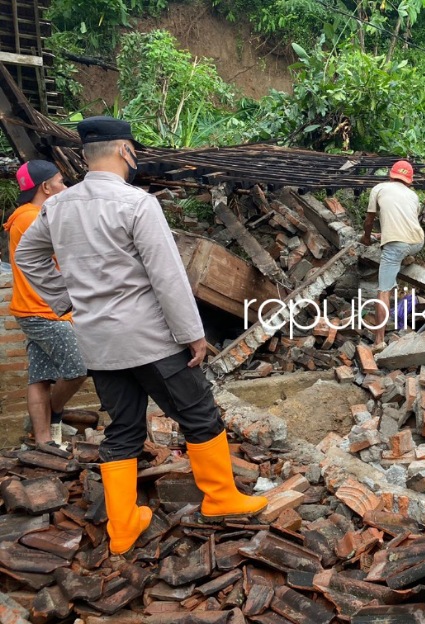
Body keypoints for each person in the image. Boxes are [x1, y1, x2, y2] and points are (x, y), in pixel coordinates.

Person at [15, 116, 266, 555]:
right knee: (199, 413)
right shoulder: (136, 204)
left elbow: (26, 256)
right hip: (150, 338)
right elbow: (167, 276)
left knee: (123, 429)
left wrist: (63, 299)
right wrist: (192, 334)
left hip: (98, 342)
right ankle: (221, 498)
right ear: (124, 151)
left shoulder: (58, 206)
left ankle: (123, 526)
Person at [4, 160, 87, 447]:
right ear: (46, 187)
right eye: (61, 181)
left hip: (35, 308)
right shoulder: (32, 217)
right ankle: (54, 412)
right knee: (79, 368)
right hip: (44, 310)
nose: (64, 187)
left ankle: (43, 440)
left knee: (40, 376)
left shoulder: (26, 215)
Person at [361, 160, 425, 350]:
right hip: (417, 243)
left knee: (383, 291)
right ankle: (406, 256)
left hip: (396, 246)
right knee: (402, 249)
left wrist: (366, 237)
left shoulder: (379, 189)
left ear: (391, 175)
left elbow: (369, 220)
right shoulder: (413, 196)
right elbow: (407, 221)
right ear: (409, 180)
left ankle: (379, 341)